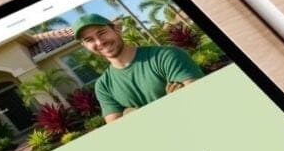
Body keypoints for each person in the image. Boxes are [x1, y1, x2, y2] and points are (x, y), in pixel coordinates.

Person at [71, 14, 204, 124]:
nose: (99, 42)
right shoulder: (103, 86)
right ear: (85, 46)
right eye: (89, 40)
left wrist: (131, 115)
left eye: (102, 33)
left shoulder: (166, 56)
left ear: (117, 30)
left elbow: (198, 101)